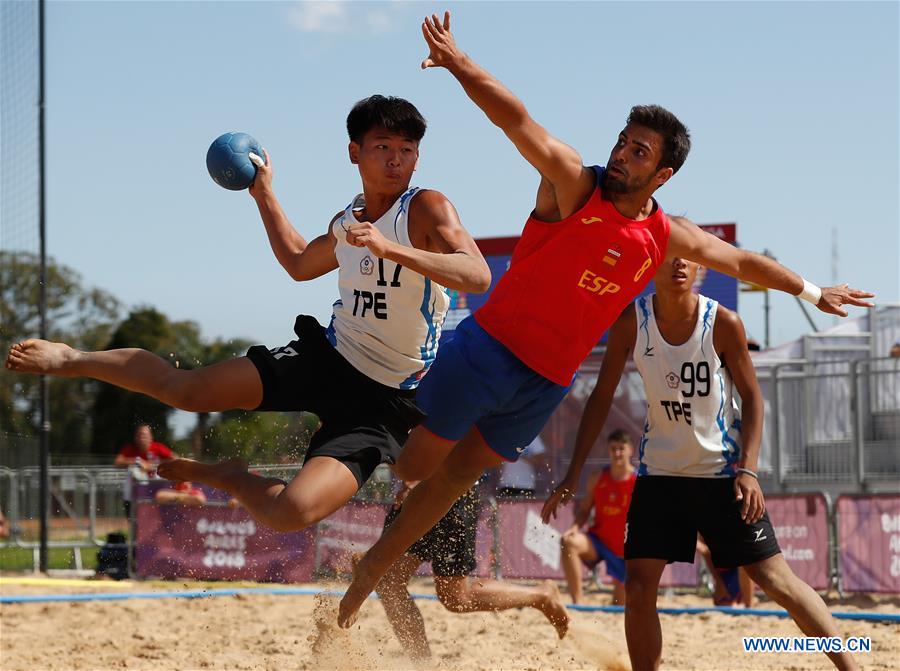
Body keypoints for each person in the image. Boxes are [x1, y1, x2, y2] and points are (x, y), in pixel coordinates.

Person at [337, 12, 873, 627]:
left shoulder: (667, 234)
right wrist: (459, 63)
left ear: (661, 173)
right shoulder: (574, 183)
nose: (620, 153)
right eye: (622, 140)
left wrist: (814, 290)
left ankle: (369, 573)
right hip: (490, 348)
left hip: (545, 383)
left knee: (455, 480)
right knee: (410, 467)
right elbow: (515, 119)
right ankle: (353, 506)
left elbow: (743, 260)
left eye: (637, 151)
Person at [5, 95, 489, 535]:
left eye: (407, 149)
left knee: (291, 514)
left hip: (382, 401)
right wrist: (264, 194)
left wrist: (390, 249)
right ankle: (70, 358)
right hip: (327, 357)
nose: (396, 159)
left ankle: (230, 477)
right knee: (186, 391)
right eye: (383, 147)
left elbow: (477, 274)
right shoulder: (348, 221)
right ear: (354, 152)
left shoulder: (426, 207)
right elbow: (299, 262)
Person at [542, 256, 858, 670]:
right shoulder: (631, 322)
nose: (678, 263)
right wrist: (572, 473)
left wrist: (749, 470)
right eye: (668, 256)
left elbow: (753, 399)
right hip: (660, 476)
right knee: (638, 590)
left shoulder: (723, 322)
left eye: (688, 257)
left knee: (775, 580)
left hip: (720, 474)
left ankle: (851, 667)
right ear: (650, 267)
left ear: (701, 269)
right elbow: (601, 397)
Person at [375, 479, 569, 661]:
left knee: (455, 597)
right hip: (429, 490)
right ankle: (421, 665)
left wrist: (416, 477)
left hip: (447, 489)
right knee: (389, 582)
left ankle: (541, 596)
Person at [559, 429, 635, 605]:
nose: (617, 453)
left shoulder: (638, 481)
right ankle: (577, 603)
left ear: (630, 450)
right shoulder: (598, 477)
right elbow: (585, 510)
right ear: (608, 450)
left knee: (620, 605)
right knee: (568, 541)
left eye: (621, 448)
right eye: (613, 448)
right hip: (599, 542)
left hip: (626, 551)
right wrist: (574, 528)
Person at [115, 423, 175, 518]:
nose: (142, 438)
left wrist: (155, 466)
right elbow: (118, 462)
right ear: (135, 438)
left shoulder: (158, 448)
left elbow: (175, 459)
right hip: (137, 495)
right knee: (132, 472)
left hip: (157, 491)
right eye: (139, 435)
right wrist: (138, 461)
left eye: (145, 435)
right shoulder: (130, 449)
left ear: (151, 437)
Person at [495, 434, 547, 499]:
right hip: (506, 484)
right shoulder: (504, 434)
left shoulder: (532, 434)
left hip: (526, 485)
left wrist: (519, 454)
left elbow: (540, 460)